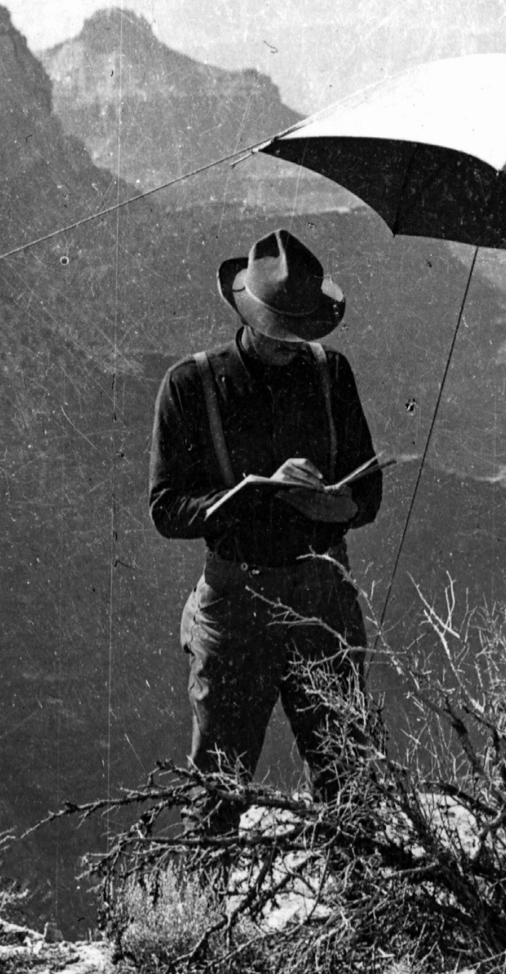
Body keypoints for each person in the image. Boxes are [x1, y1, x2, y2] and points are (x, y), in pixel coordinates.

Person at [149, 228, 383, 831]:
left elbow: (370, 491)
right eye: (279, 329)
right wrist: (255, 494)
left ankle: (362, 916)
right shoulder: (189, 385)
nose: (291, 344)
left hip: (323, 594)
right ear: (247, 314)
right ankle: (195, 918)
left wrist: (341, 508)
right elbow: (167, 508)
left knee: (347, 779)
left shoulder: (332, 374)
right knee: (217, 794)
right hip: (236, 600)